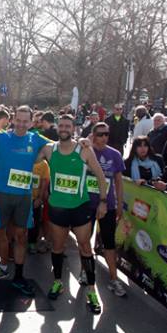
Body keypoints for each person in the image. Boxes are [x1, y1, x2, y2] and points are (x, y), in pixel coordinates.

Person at [0, 97, 50, 297]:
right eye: (18, 120)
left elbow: (59, 146)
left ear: (31, 122)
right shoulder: (1, 137)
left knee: (21, 237)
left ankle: (19, 277)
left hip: (24, 197)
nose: (21, 124)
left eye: (25, 121)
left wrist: (82, 143)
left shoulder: (36, 139)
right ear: (13, 119)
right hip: (2, 196)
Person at [37, 115, 108, 311]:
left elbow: (101, 176)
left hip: (79, 207)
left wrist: (103, 202)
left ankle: (92, 290)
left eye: (67, 126)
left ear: (73, 128)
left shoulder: (84, 150)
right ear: (57, 127)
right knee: (57, 247)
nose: (64, 129)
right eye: (61, 125)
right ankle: (58, 282)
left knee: (85, 247)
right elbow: (30, 158)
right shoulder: (49, 149)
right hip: (57, 208)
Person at [85, 122, 128, 300]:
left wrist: (119, 204)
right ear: (93, 135)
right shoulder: (85, 151)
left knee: (109, 243)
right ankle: (85, 271)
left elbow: (119, 181)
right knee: (84, 241)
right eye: (100, 134)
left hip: (107, 206)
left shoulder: (115, 154)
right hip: (87, 204)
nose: (104, 137)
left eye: (106, 134)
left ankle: (114, 279)